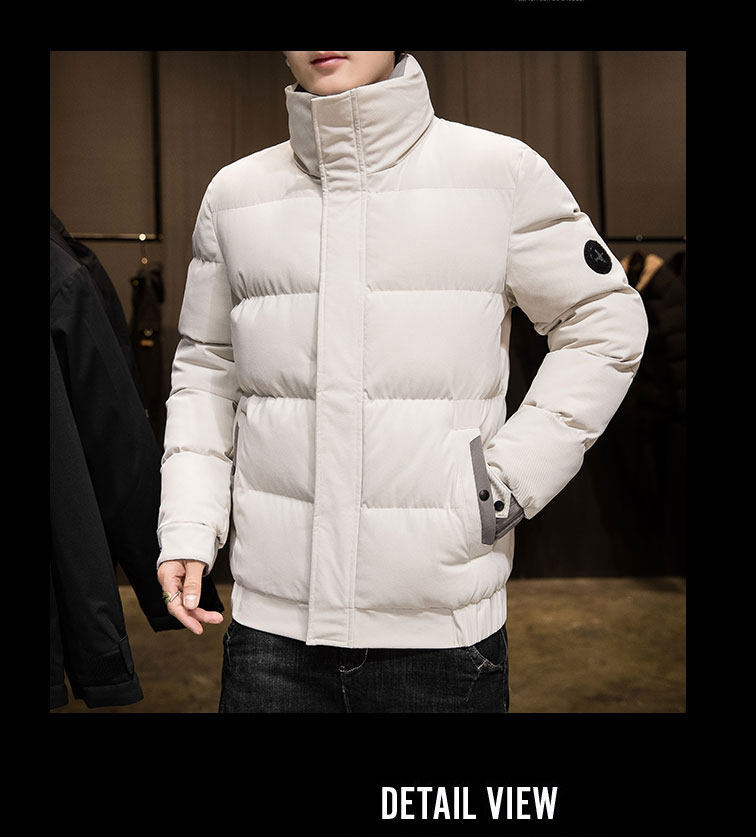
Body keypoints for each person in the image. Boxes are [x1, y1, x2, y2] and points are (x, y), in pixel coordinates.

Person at [157, 51, 648, 712]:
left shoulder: (498, 173)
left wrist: (507, 480)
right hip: (271, 636)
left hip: (439, 637)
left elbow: (606, 319)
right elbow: (207, 372)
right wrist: (189, 523)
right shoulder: (236, 195)